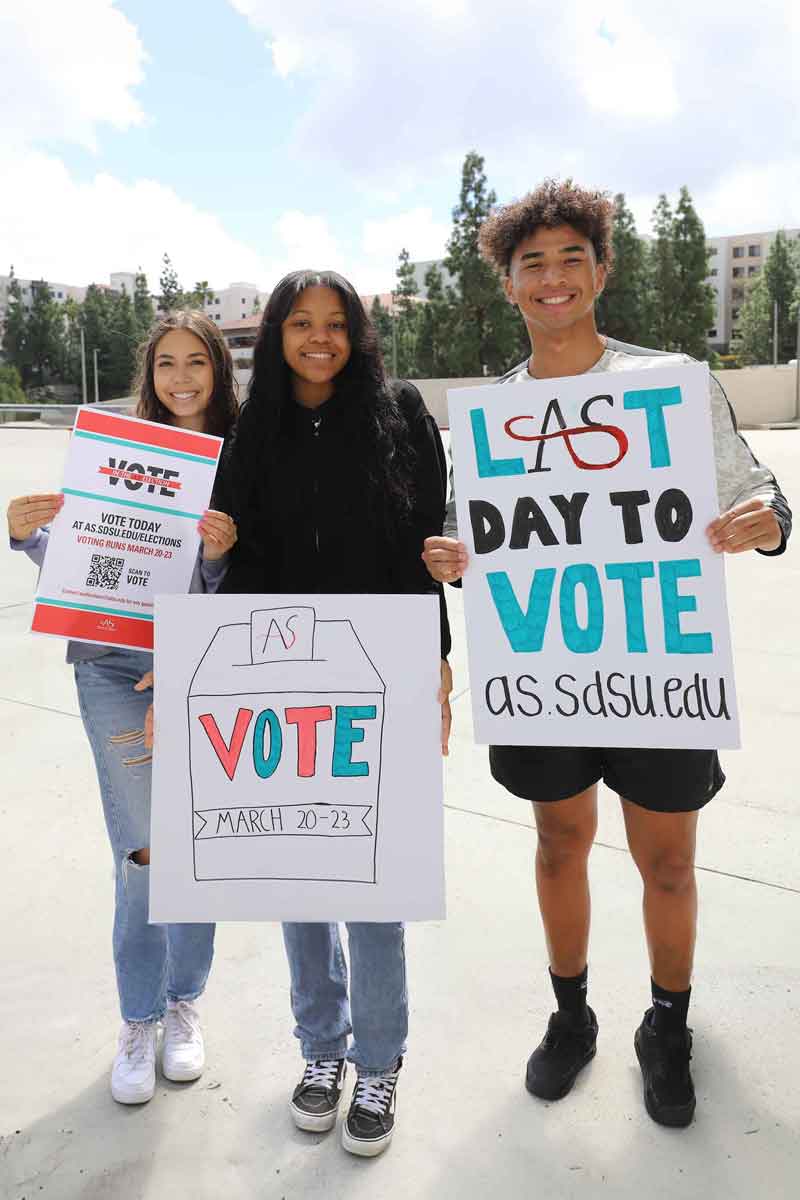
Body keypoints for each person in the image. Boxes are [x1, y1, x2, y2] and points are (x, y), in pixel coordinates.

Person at [422, 179, 792, 1128]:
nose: (552, 279)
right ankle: (573, 1014)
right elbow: (477, 542)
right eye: (531, 263)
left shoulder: (667, 383)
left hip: (659, 668)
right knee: (559, 844)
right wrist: (454, 560)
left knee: (666, 863)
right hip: (546, 670)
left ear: (603, 270)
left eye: (570, 259)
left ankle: (666, 1025)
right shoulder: (490, 417)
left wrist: (768, 521)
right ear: (507, 284)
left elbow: (761, 492)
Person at [216, 269, 451, 1157]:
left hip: (378, 674)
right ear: (276, 335)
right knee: (300, 884)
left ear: (358, 334)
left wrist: (435, 662)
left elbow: (426, 552)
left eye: (337, 323)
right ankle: (322, 1050)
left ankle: (381, 1061)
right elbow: (229, 559)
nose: (320, 338)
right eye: (301, 324)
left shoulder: (402, 412)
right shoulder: (251, 429)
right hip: (276, 680)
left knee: (375, 890)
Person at [7, 311, 239, 1105]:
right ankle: (138, 1017)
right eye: (167, 362)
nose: (181, 377)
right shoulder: (118, 452)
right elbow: (88, 558)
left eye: (196, 362)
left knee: (196, 844)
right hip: (113, 670)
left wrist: (214, 559)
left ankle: (184, 1004)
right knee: (145, 851)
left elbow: (243, 587)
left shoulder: (241, 463)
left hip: (205, 667)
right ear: (151, 372)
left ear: (218, 371)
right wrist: (27, 535)